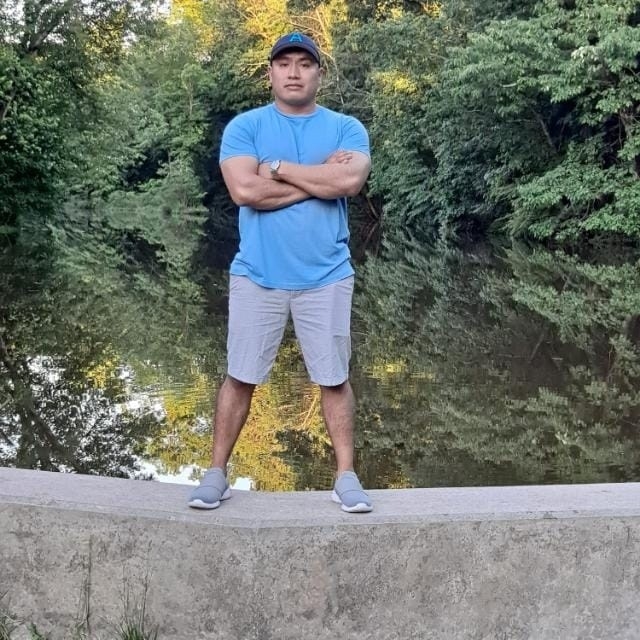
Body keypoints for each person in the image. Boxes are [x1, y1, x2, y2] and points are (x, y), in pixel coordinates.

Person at [188, 32, 372, 513]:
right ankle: (216, 474)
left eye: (304, 64)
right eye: (284, 63)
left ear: (319, 74)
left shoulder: (346, 128)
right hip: (257, 275)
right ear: (270, 72)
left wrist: (277, 168)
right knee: (239, 375)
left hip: (328, 275)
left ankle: (346, 477)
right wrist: (317, 179)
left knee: (334, 378)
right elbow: (245, 192)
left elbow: (350, 180)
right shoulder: (245, 127)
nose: (294, 72)